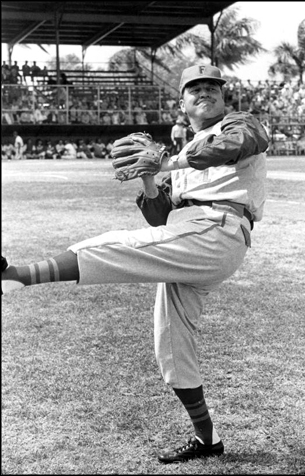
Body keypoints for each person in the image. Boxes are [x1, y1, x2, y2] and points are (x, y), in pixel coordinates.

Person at [2, 64, 269, 464]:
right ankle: (207, 438)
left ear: (223, 96)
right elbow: (161, 219)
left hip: (217, 231)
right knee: (172, 347)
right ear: (181, 103)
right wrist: (149, 179)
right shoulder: (177, 155)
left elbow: (234, 146)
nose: (205, 92)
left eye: (212, 86)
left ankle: (15, 277)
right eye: (194, 88)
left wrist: (165, 163)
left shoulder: (240, 124)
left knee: (113, 244)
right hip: (187, 238)